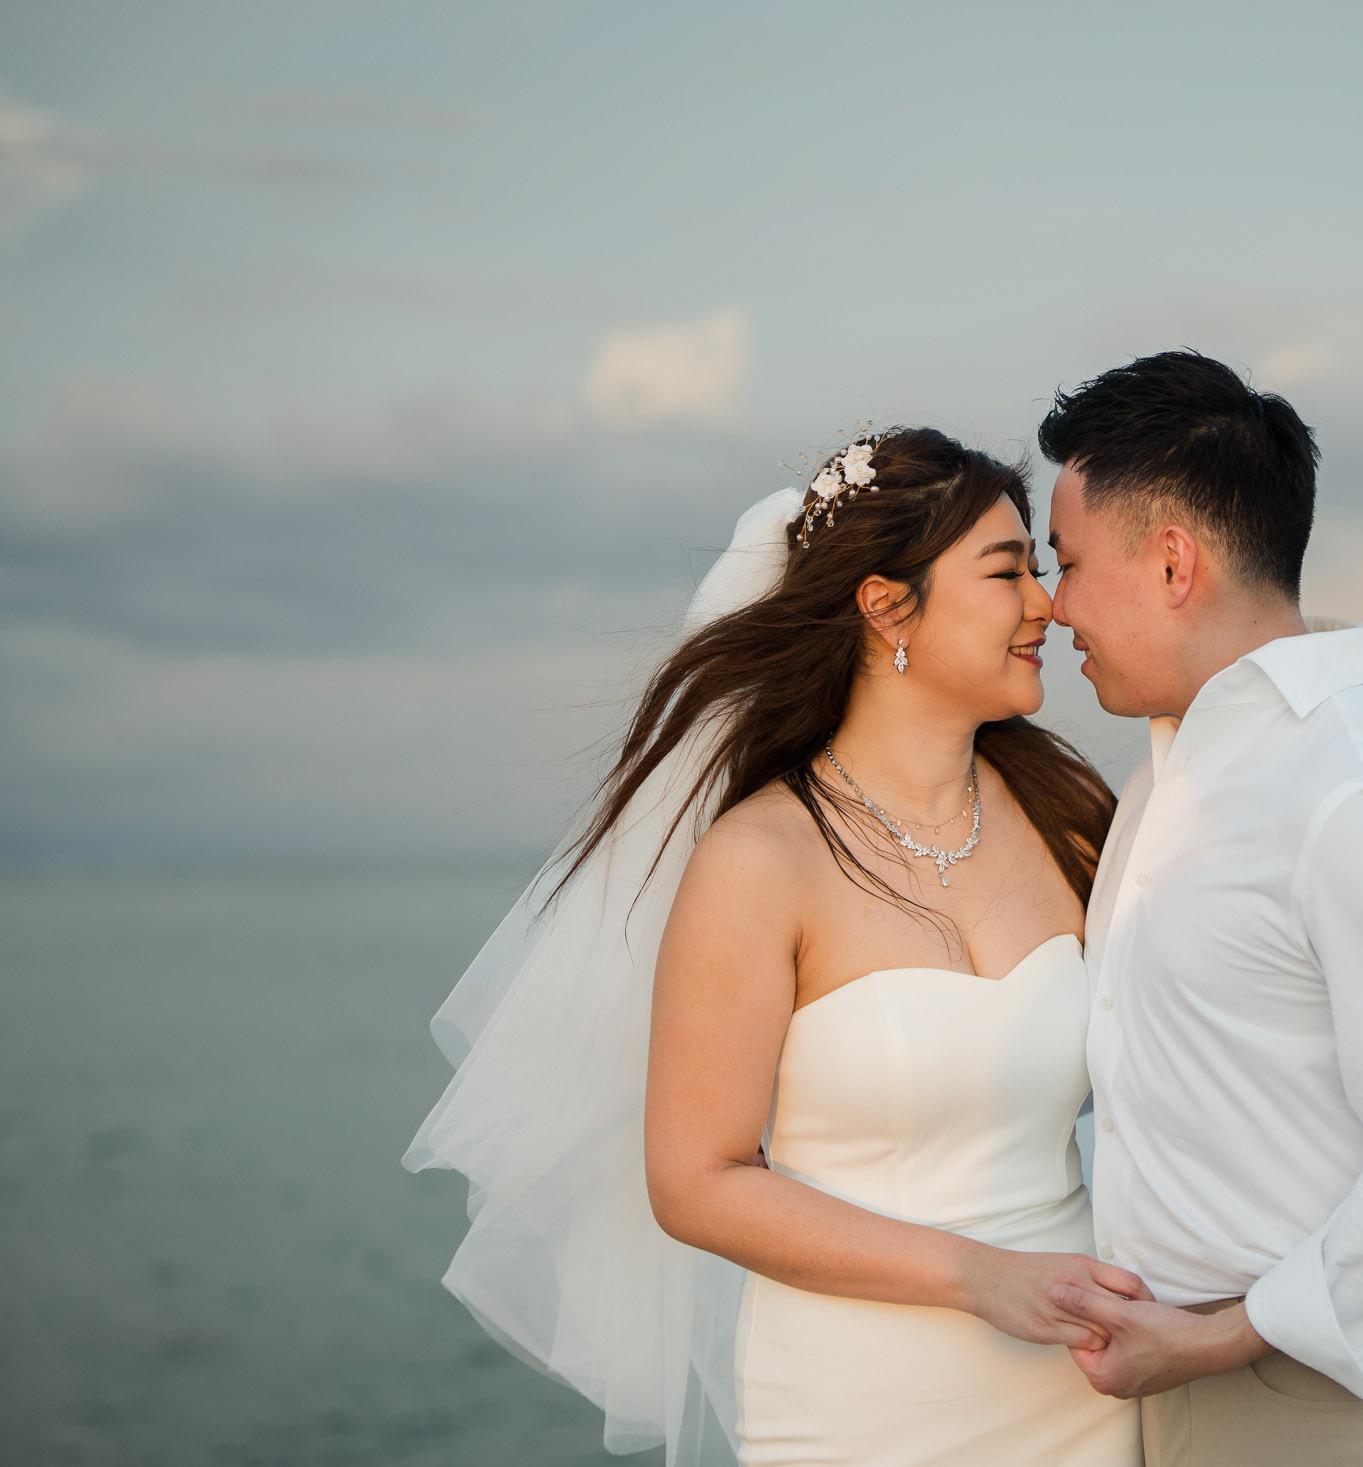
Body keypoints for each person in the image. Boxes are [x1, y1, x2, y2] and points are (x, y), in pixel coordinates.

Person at [403, 428, 1142, 1466]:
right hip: (858, 1406)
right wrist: (982, 1275)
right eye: (1006, 570)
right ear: (887, 605)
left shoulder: (1071, 819)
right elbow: (697, 1181)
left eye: (1041, 567)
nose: (1045, 603)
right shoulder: (759, 861)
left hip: (1085, 1389)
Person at [1035, 351, 1363, 1466]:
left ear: (1174, 563)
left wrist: (1213, 1341)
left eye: (1066, 561)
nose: (1053, 602)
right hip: (1199, 1391)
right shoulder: (1159, 782)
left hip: (1341, 1407)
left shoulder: (1353, 793)